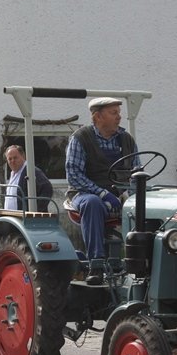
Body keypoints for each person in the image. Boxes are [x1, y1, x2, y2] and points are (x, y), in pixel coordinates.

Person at [65, 97, 140, 285]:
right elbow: (74, 175)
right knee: (93, 204)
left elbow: (136, 170)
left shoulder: (127, 140)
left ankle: (139, 261)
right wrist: (102, 193)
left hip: (119, 194)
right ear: (97, 116)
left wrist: (129, 191)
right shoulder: (80, 138)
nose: (119, 117)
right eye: (113, 113)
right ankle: (96, 265)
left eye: (119, 113)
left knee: (145, 203)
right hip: (84, 194)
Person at [3, 145, 53, 212]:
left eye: (15, 158)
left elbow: (47, 188)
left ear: (23, 156)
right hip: (13, 218)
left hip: (26, 219)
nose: (13, 161)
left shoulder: (30, 170)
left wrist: (37, 210)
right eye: (10, 159)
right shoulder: (13, 173)